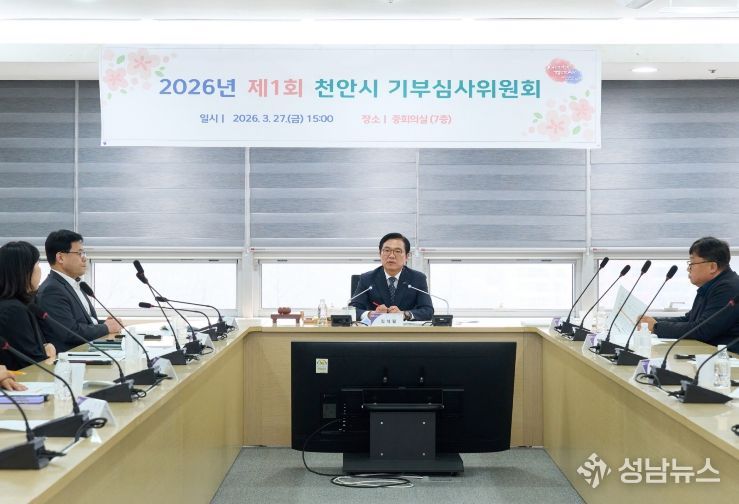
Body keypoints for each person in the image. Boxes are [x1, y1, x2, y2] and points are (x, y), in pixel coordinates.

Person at [641, 236, 739, 352]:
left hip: (730, 358)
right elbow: (690, 319)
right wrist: (653, 320)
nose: (688, 269)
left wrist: (656, 327)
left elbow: (702, 330)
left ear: (712, 267)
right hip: (710, 354)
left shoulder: (728, 288)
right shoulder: (712, 286)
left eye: (692, 263)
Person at [36, 230, 122, 353]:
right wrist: (106, 328)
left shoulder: (74, 284)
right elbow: (70, 332)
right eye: (79, 253)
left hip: (87, 351)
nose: (84, 258)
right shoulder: (51, 290)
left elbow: (84, 323)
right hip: (71, 358)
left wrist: (106, 323)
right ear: (60, 257)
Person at [350, 232, 434, 322]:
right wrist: (371, 314)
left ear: (406, 256)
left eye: (397, 251)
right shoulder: (367, 278)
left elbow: (428, 310)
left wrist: (405, 314)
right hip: (376, 329)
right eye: (387, 250)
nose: (391, 256)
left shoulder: (418, 278)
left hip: (407, 330)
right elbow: (353, 310)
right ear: (380, 254)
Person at [0, 241, 56, 370]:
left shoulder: (14, 304)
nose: (40, 270)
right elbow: (31, 362)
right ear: (23, 271)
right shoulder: (13, 310)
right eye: (37, 264)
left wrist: (43, 348)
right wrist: (47, 352)